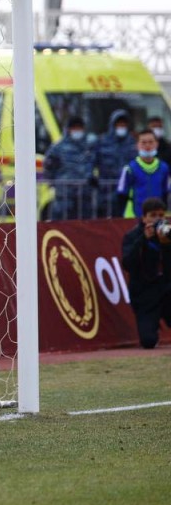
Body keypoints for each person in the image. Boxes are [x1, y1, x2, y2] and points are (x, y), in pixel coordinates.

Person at [121, 196, 171, 349]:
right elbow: (128, 264)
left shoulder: (168, 234)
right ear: (144, 218)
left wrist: (166, 244)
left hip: (167, 290)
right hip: (145, 294)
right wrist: (144, 239)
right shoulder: (133, 236)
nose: (157, 219)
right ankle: (153, 328)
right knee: (148, 341)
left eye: (161, 215)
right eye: (153, 215)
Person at [42, 115, 96, 220]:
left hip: (84, 197)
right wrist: (55, 183)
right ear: (68, 129)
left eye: (79, 128)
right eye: (74, 128)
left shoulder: (89, 147)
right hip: (64, 197)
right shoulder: (58, 147)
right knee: (62, 227)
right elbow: (48, 167)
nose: (77, 131)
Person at [115, 129, 171, 218]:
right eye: (143, 143)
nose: (147, 146)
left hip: (156, 218)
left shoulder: (164, 168)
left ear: (157, 144)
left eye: (150, 142)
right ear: (137, 145)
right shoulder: (129, 169)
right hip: (133, 217)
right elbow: (121, 195)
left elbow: (165, 193)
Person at [94, 110, 137, 218]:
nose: (121, 127)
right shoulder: (102, 141)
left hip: (127, 192)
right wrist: (91, 177)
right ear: (113, 125)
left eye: (124, 124)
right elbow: (91, 161)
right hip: (106, 193)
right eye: (119, 124)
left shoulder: (133, 142)